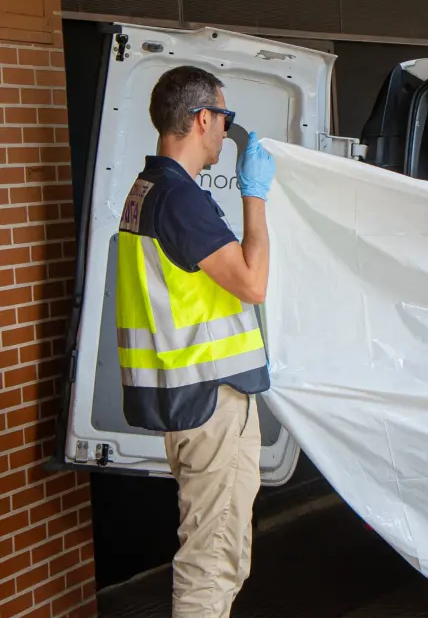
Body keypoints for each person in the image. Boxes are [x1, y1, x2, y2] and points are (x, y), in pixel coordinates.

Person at [116, 66, 277, 618]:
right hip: (212, 401)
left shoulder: (146, 190)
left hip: (186, 398)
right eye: (225, 117)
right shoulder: (179, 199)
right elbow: (252, 283)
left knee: (216, 551)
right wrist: (254, 196)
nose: (227, 131)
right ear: (203, 118)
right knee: (212, 563)